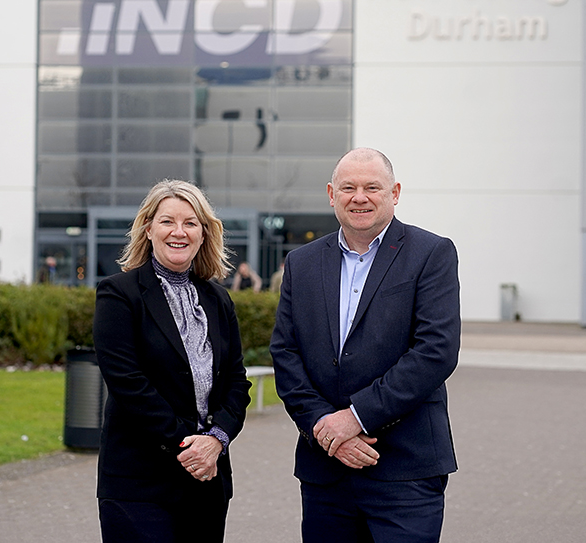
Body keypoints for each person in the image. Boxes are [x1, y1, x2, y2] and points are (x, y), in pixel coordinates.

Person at [270, 148, 461, 543]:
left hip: (404, 470)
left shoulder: (431, 254)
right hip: (326, 471)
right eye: (348, 188)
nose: (360, 197)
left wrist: (355, 418)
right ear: (330, 194)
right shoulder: (302, 263)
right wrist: (324, 426)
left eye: (372, 187)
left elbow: (435, 352)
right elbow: (286, 354)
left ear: (395, 192)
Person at [93, 180, 251, 543]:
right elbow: (127, 382)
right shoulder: (119, 294)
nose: (178, 232)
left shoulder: (218, 300)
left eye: (190, 223)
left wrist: (217, 439)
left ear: (203, 233)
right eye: (167, 222)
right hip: (139, 483)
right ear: (148, 228)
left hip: (206, 481)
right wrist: (190, 443)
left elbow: (237, 382)